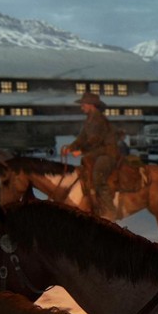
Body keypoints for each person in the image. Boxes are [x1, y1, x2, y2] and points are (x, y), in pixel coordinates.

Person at [63, 92, 119, 220]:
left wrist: (81, 151)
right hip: (97, 151)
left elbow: (94, 140)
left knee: (97, 176)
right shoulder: (89, 120)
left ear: (91, 105)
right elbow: (82, 137)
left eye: (83, 104)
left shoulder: (99, 120)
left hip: (107, 152)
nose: (81, 107)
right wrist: (71, 147)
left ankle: (110, 211)